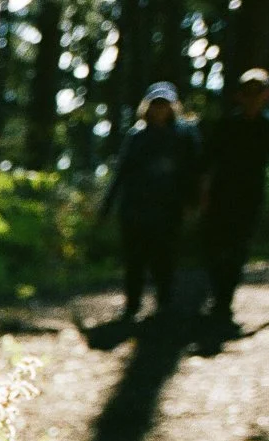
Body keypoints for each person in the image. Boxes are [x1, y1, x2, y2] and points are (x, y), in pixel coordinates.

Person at [99, 81, 203, 320]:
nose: (159, 109)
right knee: (134, 259)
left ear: (172, 106)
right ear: (147, 106)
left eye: (164, 104)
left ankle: (164, 303)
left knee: (164, 258)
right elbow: (122, 172)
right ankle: (132, 305)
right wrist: (107, 206)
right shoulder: (136, 135)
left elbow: (194, 169)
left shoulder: (184, 134)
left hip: (168, 208)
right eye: (155, 104)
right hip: (135, 207)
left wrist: (194, 201)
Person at [201, 68, 269, 325]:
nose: (252, 97)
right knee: (215, 245)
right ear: (239, 95)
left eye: (257, 92)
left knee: (238, 247)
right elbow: (208, 161)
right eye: (247, 92)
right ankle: (218, 292)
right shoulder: (227, 125)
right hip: (221, 194)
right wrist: (202, 193)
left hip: (250, 196)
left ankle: (223, 300)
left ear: (267, 94)